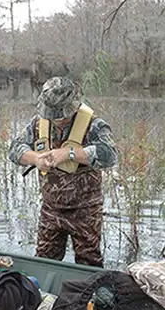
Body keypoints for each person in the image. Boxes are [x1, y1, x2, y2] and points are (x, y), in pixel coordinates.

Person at [8, 76, 119, 267]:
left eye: (61, 115)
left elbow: (110, 155)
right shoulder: (37, 124)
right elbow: (14, 149)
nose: (57, 120)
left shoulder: (94, 125)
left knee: (89, 263)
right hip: (51, 209)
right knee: (44, 262)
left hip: (85, 210)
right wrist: (35, 158)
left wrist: (69, 154)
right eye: (53, 114)